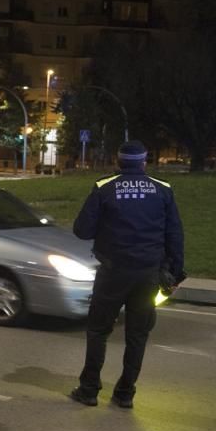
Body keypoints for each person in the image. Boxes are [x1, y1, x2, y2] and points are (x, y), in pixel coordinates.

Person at [69, 140, 185, 409]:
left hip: (113, 272)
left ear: (118, 162)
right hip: (148, 274)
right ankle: (124, 394)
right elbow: (175, 235)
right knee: (137, 335)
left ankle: (88, 390)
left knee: (98, 330)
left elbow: (82, 230)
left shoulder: (104, 187)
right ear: (145, 163)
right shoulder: (163, 190)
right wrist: (176, 274)